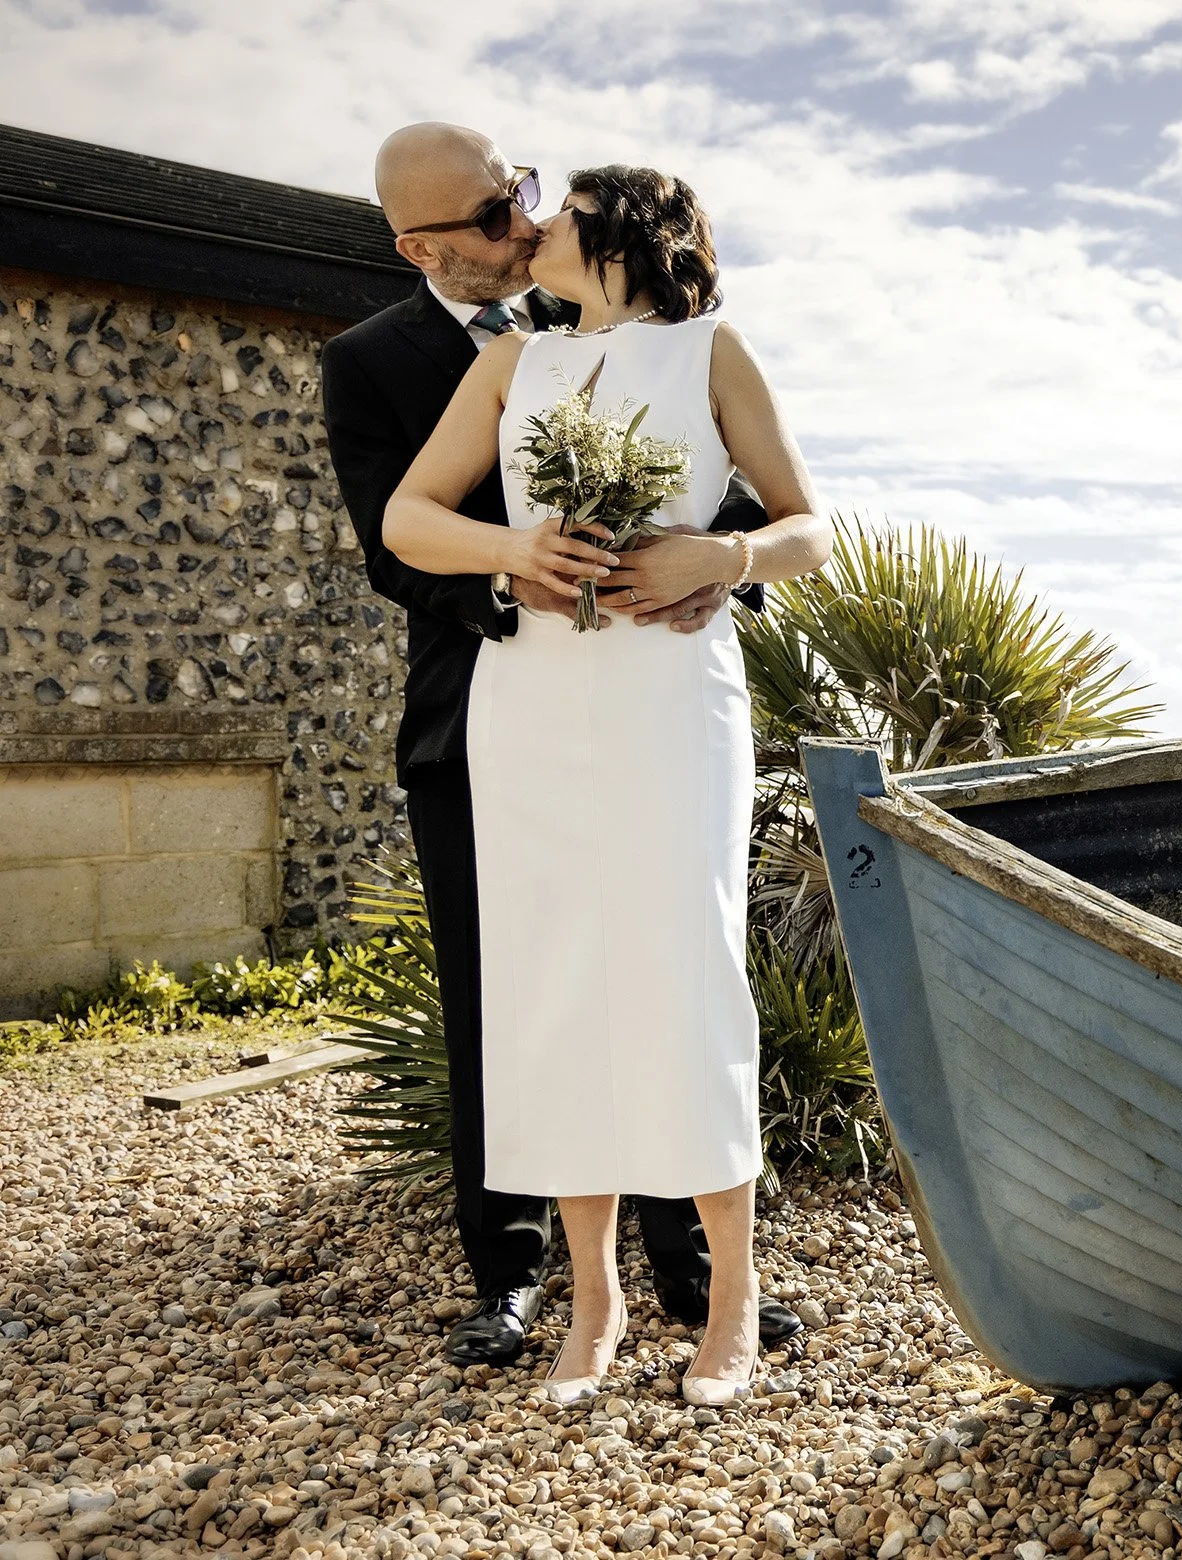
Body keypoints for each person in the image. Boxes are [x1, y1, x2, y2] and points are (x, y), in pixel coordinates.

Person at [321, 123, 806, 1370]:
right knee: (537, 986)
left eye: (539, 203)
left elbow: (797, 515)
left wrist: (727, 560)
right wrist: (514, 557)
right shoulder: (467, 364)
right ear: (417, 241)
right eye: (495, 216)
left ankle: (721, 1293)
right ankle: (569, 1297)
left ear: (623, 232)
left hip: (664, 691)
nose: (524, 224)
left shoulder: (708, 349)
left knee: (684, 967)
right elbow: (405, 526)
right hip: (511, 697)